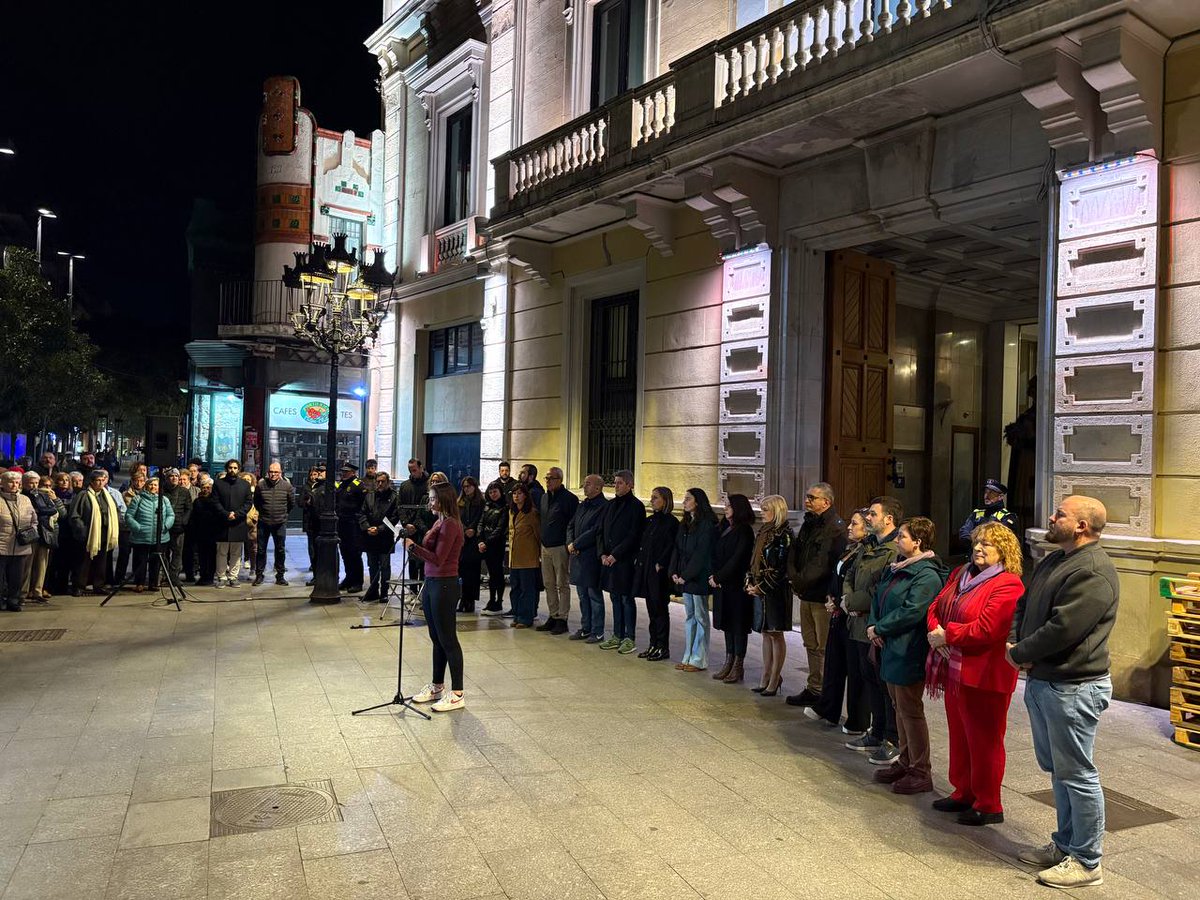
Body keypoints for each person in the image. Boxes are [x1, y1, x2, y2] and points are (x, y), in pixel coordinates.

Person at [1008, 496, 1118, 890]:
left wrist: (1019, 653)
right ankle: (1065, 845)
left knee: (1078, 773)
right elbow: (1024, 604)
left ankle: (1087, 861)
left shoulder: (1093, 571)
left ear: (1082, 526)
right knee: (1060, 771)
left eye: (1060, 514)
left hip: (1074, 686)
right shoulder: (1055, 560)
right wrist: (1016, 644)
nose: (1052, 518)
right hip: (1046, 680)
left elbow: (1063, 629)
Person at [926, 520, 1025, 826]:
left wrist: (948, 635)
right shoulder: (960, 573)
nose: (978, 548)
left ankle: (988, 803)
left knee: (984, 741)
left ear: (1003, 551)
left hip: (986, 675)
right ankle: (963, 792)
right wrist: (935, 630)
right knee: (959, 736)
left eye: (987, 544)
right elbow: (935, 605)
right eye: (976, 542)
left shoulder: (1009, 584)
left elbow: (987, 628)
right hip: (956, 669)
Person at [866, 517, 947, 795]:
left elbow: (913, 611)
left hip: (908, 649)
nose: (897, 539)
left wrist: (881, 627)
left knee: (910, 710)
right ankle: (905, 760)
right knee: (898, 707)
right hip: (891, 646)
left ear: (918, 542)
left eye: (902, 536)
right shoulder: (898, 567)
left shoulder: (927, 575)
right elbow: (878, 596)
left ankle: (920, 770)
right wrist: (873, 624)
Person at [843, 496, 903, 765]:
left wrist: (853, 602)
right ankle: (876, 732)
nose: (868, 518)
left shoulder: (893, 549)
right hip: (857, 623)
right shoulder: (868, 545)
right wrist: (847, 600)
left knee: (884, 686)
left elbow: (881, 589)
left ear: (889, 519)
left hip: (875, 625)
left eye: (873, 514)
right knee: (869, 680)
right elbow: (850, 575)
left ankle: (892, 737)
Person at [802, 509, 871, 734]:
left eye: (855, 524)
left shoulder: (866, 552)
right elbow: (838, 576)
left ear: (867, 528)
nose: (849, 527)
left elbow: (857, 584)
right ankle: (828, 708)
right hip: (838, 612)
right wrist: (831, 598)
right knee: (834, 663)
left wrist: (843, 602)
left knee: (855, 670)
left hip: (852, 615)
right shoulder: (850, 549)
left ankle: (857, 720)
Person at [408, 482, 467, 712]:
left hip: (445, 583)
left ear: (444, 500)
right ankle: (437, 686)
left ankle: (458, 694)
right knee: (436, 638)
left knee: (448, 639)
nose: (430, 502)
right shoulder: (439, 521)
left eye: (433, 498)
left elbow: (439, 558)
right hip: (432, 581)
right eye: (430, 498)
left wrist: (413, 548)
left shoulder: (451, 524)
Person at [785, 483, 846, 707]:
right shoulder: (809, 522)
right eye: (807, 496)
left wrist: (799, 580)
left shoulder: (835, 527)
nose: (807, 500)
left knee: (823, 646)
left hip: (822, 595)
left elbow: (823, 564)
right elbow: (795, 551)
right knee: (810, 643)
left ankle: (825, 691)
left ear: (826, 502)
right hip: (806, 593)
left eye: (812, 497)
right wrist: (793, 577)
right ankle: (814, 687)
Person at [747, 495, 793, 696]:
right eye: (761, 508)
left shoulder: (784, 534)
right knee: (765, 633)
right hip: (760, 587)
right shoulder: (763, 531)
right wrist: (750, 581)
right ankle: (765, 675)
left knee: (775, 632)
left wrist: (762, 587)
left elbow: (781, 568)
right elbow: (753, 560)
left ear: (777, 511)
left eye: (766, 509)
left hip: (776, 591)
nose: (761, 512)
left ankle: (775, 677)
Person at [670, 488, 718, 671]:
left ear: (697, 502)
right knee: (689, 616)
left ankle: (699, 659)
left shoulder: (706, 524)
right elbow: (677, 548)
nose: (684, 502)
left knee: (700, 617)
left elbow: (702, 554)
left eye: (688, 499)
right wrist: (674, 571)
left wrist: (686, 575)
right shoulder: (685, 523)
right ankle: (688, 656)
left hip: (698, 577)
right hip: (685, 577)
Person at [710, 494, 755, 684]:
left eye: (729, 505)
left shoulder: (744, 531)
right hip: (723, 585)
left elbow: (737, 559)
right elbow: (715, 554)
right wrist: (714, 576)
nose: (725, 508)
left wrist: (719, 577)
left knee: (738, 626)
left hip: (736, 586)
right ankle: (728, 660)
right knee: (727, 624)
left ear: (738, 508)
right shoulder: (725, 527)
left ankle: (738, 664)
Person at [635, 486, 678, 661]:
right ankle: (653, 644)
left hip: (659, 573)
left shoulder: (671, 522)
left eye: (656, 497)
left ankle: (662, 647)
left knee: (660, 609)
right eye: (651, 497)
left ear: (665, 500)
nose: (652, 500)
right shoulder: (650, 520)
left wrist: (661, 564)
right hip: (647, 569)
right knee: (651, 610)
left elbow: (671, 547)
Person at [537, 467, 579, 634]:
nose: (547, 481)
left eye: (551, 478)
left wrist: (569, 543)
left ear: (560, 480)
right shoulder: (544, 497)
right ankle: (553, 615)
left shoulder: (570, 499)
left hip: (560, 546)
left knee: (562, 583)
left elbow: (573, 524)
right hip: (545, 546)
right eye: (546, 478)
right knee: (548, 583)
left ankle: (563, 618)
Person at [567, 474, 607, 642]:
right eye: (584, 483)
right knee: (582, 595)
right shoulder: (582, 505)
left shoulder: (603, 506)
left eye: (588, 484)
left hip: (591, 556)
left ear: (598, 488)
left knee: (594, 595)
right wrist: (570, 543)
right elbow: (571, 525)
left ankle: (597, 631)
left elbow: (595, 530)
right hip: (577, 556)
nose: (584, 486)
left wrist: (576, 544)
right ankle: (585, 627)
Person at [68, 470, 121, 596]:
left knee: (101, 562)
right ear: (91, 482)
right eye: (98, 480)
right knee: (83, 562)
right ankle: (79, 586)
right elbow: (74, 515)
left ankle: (99, 585)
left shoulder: (107, 495)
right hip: (88, 534)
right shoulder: (83, 495)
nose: (101, 483)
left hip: (104, 533)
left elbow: (115, 510)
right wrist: (82, 529)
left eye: (103, 480)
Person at [126, 476, 176, 593]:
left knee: (156, 562)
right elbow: (129, 516)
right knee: (140, 561)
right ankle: (139, 583)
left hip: (160, 537)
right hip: (141, 537)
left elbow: (171, 515)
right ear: (146, 486)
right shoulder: (138, 499)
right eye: (151, 484)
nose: (153, 487)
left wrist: (166, 526)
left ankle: (153, 583)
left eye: (155, 485)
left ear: (159, 487)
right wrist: (138, 528)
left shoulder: (164, 500)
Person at [359, 470, 401, 604]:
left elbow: (394, 517)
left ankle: (384, 593)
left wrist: (380, 529)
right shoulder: (370, 496)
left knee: (385, 566)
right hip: (371, 536)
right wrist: (367, 527)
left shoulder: (394, 497)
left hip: (385, 537)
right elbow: (362, 513)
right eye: (378, 481)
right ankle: (373, 591)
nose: (380, 484)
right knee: (372, 565)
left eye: (383, 481)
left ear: (388, 482)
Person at [0, 471, 38, 612]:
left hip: (21, 545)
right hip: (2, 544)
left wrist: (31, 531)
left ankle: (13, 600)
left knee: (17, 577)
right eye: (11, 482)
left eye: (17, 482)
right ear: (2, 483)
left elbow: (34, 519)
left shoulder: (25, 499)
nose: (14, 485)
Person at [212, 459, 252, 588]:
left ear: (239, 469)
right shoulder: (218, 484)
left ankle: (233, 577)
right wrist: (225, 514)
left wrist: (237, 514)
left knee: (236, 552)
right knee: (221, 552)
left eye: (235, 468)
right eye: (230, 467)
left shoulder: (245, 485)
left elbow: (248, 503)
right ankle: (221, 576)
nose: (232, 470)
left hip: (238, 522)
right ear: (226, 468)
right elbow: (215, 501)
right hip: (222, 522)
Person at [21, 472, 60, 603]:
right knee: (27, 565)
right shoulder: (22, 496)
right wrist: (41, 511)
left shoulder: (42, 495)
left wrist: (39, 511)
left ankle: (38, 590)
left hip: (43, 532)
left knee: (42, 564)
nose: (34, 486)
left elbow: (53, 510)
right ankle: (23, 592)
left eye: (36, 483)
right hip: (29, 533)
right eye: (31, 483)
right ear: (24, 483)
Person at [507, 482, 542, 628]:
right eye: (514, 494)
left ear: (526, 496)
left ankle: (526, 617)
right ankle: (517, 614)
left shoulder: (532, 513)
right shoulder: (512, 512)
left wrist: (540, 554)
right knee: (515, 588)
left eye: (520, 493)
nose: (516, 496)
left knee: (527, 589)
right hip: (514, 557)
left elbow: (538, 535)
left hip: (528, 558)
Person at [254, 461, 294, 586]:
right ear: (268, 472)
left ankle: (280, 576)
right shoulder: (261, 485)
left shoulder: (287, 486)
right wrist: (263, 513)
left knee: (280, 550)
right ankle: (259, 575)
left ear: (280, 473)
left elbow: (291, 503)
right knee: (261, 550)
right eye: (271, 472)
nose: (273, 474)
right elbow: (256, 502)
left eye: (276, 472)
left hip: (280, 522)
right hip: (264, 522)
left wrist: (284, 515)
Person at [477, 481, 510, 616]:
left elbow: (500, 528)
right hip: (485, 545)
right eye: (490, 492)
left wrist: (487, 542)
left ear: (500, 492)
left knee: (498, 574)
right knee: (491, 574)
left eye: (495, 491)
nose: (493, 494)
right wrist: (480, 541)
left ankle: (499, 602)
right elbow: (481, 523)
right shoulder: (487, 506)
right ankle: (491, 600)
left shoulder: (505, 508)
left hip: (496, 545)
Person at [958, 478, 1018, 546]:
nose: (986, 496)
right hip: (974, 551)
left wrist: (975, 534)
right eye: (985, 492)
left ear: (1000, 497)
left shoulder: (1007, 516)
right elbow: (964, 534)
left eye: (991, 493)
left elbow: (1000, 540)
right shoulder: (977, 513)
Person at [398, 458, 431, 581]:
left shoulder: (429, 485)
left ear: (421, 468)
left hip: (423, 528)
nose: (412, 472)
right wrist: (405, 523)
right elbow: (400, 506)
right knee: (411, 560)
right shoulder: (405, 486)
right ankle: (412, 589)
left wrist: (417, 525)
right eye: (410, 470)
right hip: (409, 528)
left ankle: (422, 587)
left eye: (414, 470)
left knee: (423, 561)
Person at [335, 462, 364, 592]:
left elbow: (363, 505)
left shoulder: (358, 486)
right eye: (343, 471)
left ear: (353, 473)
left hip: (353, 525)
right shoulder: (342, 485)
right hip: (342, 524)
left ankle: (357, 582)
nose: (344, 473)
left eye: (346, 472)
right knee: (345, 553)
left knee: (354, 554)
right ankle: (349, 578)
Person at [160, 468, 193, 585]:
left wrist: (184, 521)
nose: (174, 478)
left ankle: (174, 576)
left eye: (176, 476)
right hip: (164, 528)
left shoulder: (184, 492)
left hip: (179, 527)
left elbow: (189, 508)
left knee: (177, 553)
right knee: (163, 553)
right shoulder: (161, 490)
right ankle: (165, 576)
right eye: (171, 476)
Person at [458, 476, 485, 613]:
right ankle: (462, 598)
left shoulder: (480, 502)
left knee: (473, 571)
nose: (466, 489)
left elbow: (481, 518)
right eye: (464, 486)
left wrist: (473, 529)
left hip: (474, 539)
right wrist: (464, 529)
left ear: (474, 486)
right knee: (461, 569)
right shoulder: (459, 502)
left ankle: (471, 600)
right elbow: (456, 517)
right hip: (463, 539)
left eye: (468, 486)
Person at [115, 470, 145, 584]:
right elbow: (122, 511)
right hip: (126, 529)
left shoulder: (146, 495)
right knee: (124, 554)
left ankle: (137, 578)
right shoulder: (125, 494)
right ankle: (119, 578)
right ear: (132, 481)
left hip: (140, 529)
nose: (139, 483)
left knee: (139, 555)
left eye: (141, 481)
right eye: (136, 480)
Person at [49, 472, 77, 595]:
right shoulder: (50, 494)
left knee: (65, 563)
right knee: (53, 562)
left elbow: (66, 515)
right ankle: (50, 586)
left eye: (67, 480)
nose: (64, 482)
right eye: (61, 480)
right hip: (54, 532)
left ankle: (62, 587)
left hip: (68, 533)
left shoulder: (74, 495)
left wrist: (57, 501)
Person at [191, 475, 221, 586]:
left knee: (211, 556)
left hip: (212, 532)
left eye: (208, 488)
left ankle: (210, 576)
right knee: (202, 556)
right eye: (203, 487)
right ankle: (203, 576)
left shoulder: (215, 501)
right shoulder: (197, 501)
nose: (205, 490)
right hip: (200, 532)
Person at [300, 464, 325, 574]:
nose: (313, 477)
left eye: (315, 474)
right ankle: (314, 566)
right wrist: (307, 502)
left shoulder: (322, 486)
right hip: (309, 520)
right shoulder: (306, 487)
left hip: (320, 520)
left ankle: (319, 567)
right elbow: (299, 502)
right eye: (312, 475)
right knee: (312, 545)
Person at [240, 472, 260, 579]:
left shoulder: (255, 491)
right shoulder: (238, 491)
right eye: (244, 479)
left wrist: (256, 515)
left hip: (253, 521)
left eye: (248, 479)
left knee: (253, 547)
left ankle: (254, 568)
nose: (246, 481)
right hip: (241, 520)